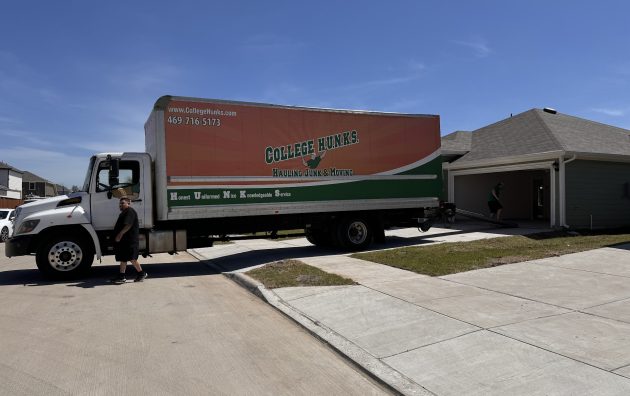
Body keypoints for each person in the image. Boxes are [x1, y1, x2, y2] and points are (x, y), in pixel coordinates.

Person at [111, 197, 147, 284]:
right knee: (123, 258)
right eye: (120, 203)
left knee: (132, 258)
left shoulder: (129, 211)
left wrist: (120, 234)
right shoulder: (124, 212)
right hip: (125, 241)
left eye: (123, 203)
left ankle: (142, 274)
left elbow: (128, 225)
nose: (121, 205)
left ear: (129, 203)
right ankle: (121, 276)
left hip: (130, 240)